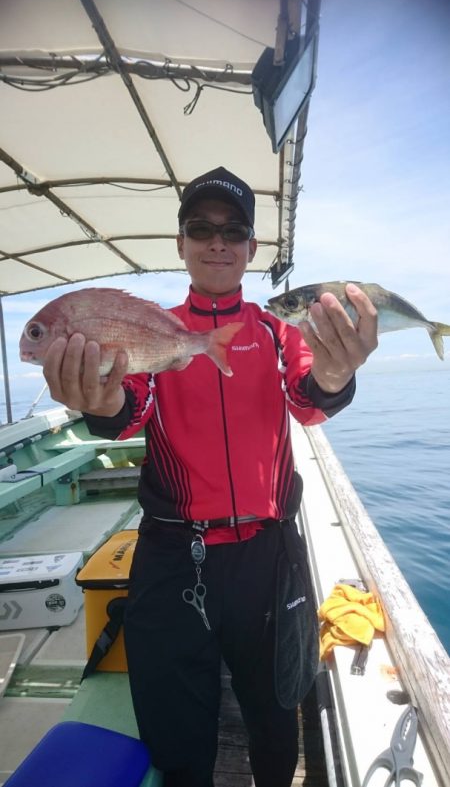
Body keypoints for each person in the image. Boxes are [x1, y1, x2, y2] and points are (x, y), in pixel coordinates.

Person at [43, 166, 378, 787]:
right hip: (174, 558)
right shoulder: (153, 331)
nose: (217, 241)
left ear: (252, 247)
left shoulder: (280, 330)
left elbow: (309, 397)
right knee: (177, 734)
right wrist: (99, 400)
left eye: (234, 230)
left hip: (266, 557)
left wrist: (336, 375)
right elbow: (128, 407)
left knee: (277, 720)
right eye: (201, 228)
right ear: (181, 243)